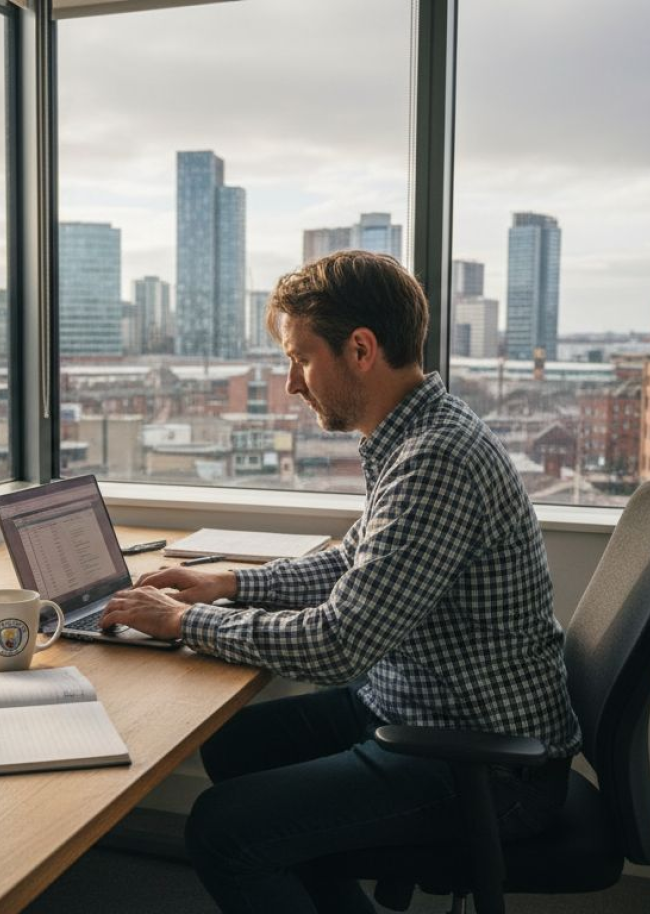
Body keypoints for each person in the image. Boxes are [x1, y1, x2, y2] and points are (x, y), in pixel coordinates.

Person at [100, 251, 582, 914]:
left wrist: (181, 622)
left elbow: (337, 646)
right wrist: (228, 587)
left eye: (300, 357)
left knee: (222, 832)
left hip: (488, 765)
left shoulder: (433, 461)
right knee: (239, 745)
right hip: (424, 706)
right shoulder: (413, 434)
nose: (293, 383)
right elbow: (350, 564)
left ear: (360, 348)